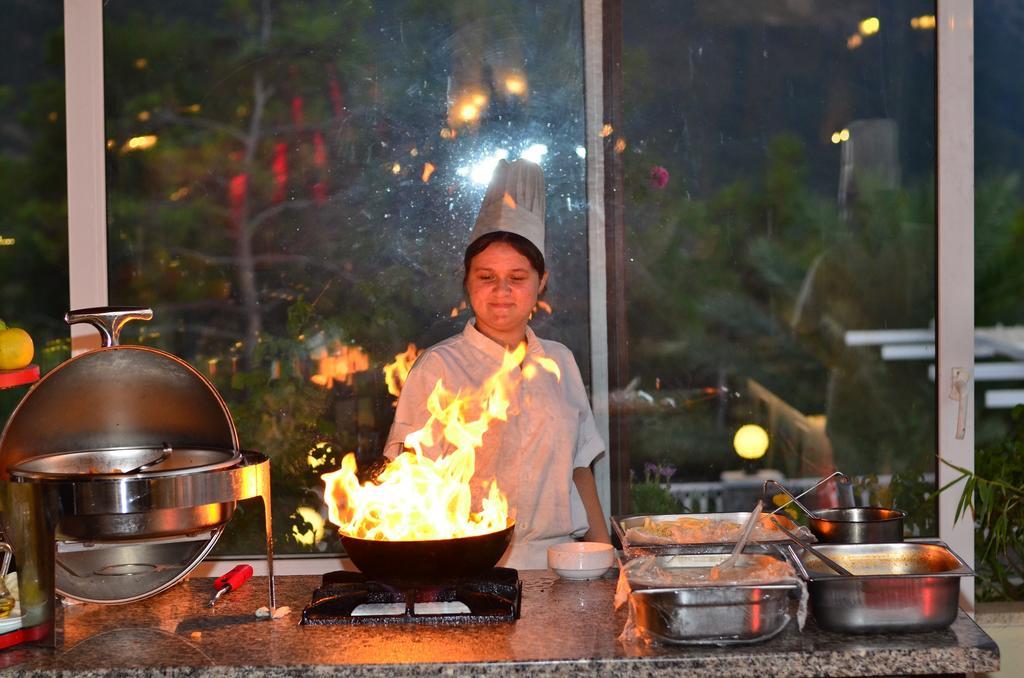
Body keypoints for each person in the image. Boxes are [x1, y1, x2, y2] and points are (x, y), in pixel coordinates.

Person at [383, 158, 611, 569]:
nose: (502, 291)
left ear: (540, 282)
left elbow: (580, 470)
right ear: (467, 282)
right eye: (486, 277)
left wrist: (605, 559)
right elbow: (408, 484)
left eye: (518, 278)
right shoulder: (437, 367)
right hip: (468, 568)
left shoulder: (560, 361)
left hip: (562, 566)